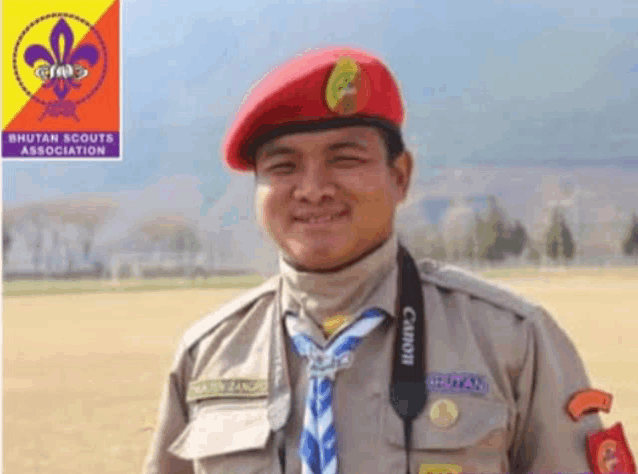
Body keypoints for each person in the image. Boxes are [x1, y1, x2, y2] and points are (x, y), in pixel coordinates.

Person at [143, 47, 634, 474]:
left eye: (344, 159)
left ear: (401, 176)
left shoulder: (511, 340)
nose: (313, 189)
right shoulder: (207, 355)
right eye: (283, 166)